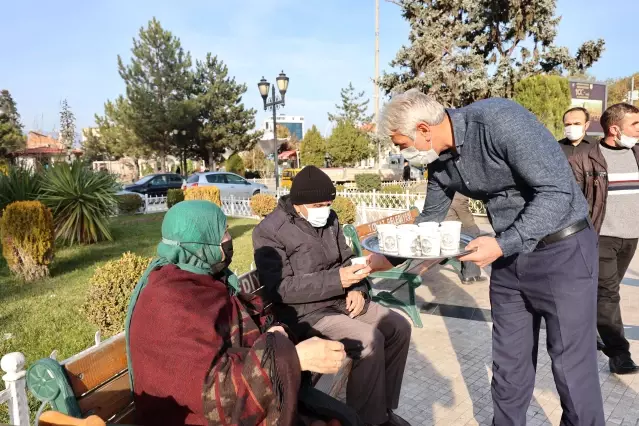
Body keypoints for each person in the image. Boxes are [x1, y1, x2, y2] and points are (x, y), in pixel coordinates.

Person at [378, 89, 604, 425]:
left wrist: (500, 243)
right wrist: (382, 259)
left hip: (562, 253)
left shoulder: (500, 121)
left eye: (401, 144)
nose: (403, 153)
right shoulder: (439, 161)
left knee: (571, 367)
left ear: (423, 130)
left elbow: (556, 191)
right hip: (509, 263)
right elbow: (430, 219)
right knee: (508, 366)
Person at [126, 200, 358, 426]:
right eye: (224, 232)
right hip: (201, 418)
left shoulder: (201, 280)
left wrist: (275, 336)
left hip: (244, 399)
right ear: (200, 242)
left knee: (341, 417)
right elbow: (213, 396)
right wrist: (294, 359)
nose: (230, 240)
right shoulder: (168, 301)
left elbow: (241, 332)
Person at [253, 166, 412, 426]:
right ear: (299, 203)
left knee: (398, 327)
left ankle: (382, 410)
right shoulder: (269, 230)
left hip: (341, 302)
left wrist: (357, 288)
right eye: (318, 204)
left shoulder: (330, 219)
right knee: (368, 341)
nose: (324, 209)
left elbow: (347, 259)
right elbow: (279, 288)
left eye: (328, 203)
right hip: (306, 314)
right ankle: (366, 421)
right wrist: (337, 280)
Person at [569, 103, 639, 375]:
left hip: (632, 238)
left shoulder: (636, 153)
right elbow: (574, 201)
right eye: (635, 125)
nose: (638, 131)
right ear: (615, 129)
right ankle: (619, 354)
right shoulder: (584, 158)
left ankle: (588, 331)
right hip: (602, 237)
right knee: (608, 294)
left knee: (602, 293)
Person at [444, 194, 486, 283]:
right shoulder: (459, 193)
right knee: (473, 235)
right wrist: (473, 227)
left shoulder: (448, 189)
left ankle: (474, 274)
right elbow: (463, 212)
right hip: (449, 229)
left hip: (445, 226)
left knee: (472, 234)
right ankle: (469, 275)